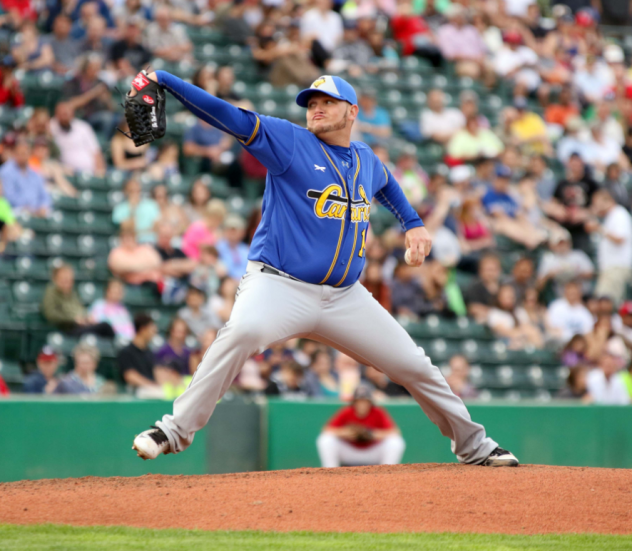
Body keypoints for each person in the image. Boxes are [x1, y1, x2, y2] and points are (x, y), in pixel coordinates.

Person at [130, 71, 518, 467]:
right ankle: (173, 430)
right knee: (241, 332)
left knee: (414, 365)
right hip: (279, 286)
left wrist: (413, 223)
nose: (315, 109)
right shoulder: (289, 142)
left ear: (351, 111)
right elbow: (228, 115)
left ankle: (474, 447)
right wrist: (164, 80)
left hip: (345, 298)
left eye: (326, 102)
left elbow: (387, 185)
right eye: (311, 103)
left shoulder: (365, 158)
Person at [316, 385, 406, 467]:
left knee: (395, 442)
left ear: (370, 402)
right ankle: (330, 472)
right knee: (326, 439)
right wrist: (345, 432)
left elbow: (395, 432)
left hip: (372, 452)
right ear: (354, 402)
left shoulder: (378, 412)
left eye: (365, 401)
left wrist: (372, 434)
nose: (362, 404)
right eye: (359, 401)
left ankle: (387, 473)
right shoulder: (347, 411)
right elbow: (326, 429)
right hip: (350, 452)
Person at [41, 264, 115, 338]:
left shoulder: (72, 292)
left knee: (105, 327)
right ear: (56, 279)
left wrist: (87, 317)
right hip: (67, 329)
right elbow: (51, 314)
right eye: (64, 279)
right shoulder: (51, 292)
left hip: (82, 326)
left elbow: (80, 309)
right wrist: (73, 319)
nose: (68, 282)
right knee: (105, 327)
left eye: (70, 279)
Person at [587, 190, 632, 304]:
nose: (595, 206)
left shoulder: (619, 213)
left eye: (597, 203)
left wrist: (599, 228)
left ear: (608, 201)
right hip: (610, 268)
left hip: (616, 267)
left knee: (606, 304)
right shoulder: (610, 217)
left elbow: (620, 238)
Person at [50, 101, 106, 175]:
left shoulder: (83, 127)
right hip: (69, 172)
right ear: (56, 115)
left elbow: (96, 153)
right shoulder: (52, 126)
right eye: (62, 114)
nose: (65, 117)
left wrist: (100, 172)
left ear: (72, 114)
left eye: (67, 113)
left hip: (90, 172)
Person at [0, 139, 52, 217]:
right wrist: (28, 208)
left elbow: (45, 196)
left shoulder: (35, 173)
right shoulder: (6, 170)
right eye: (20, 153)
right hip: (16, 210)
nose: (22, 156)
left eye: (25, 153)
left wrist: (43, 206)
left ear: (29, 154)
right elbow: (8, 197)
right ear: (14, 153)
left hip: (36, 210)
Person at [536, 230, 594, 297]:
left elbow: (591, 274)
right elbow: (539, 284)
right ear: (553, 245)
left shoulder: (578, 255)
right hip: (558, 295)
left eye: (564, 243)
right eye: (559, 244)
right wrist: (549, 275)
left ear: (569, 243)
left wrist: (576, 273)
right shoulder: (549, 258)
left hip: (581, 294)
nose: (562, 246)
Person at [117, 313, 161, 391]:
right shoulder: (126, 352)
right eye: (152, 330)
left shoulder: (149, 352)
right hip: (135, 391)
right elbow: (130, 375)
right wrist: (151, 386)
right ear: (142, 329)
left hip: (151, 390)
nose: (154, 334)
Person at [112, 178, 160, 244]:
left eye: (138, 191)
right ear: (125, 192)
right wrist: (133, 209)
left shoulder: (151, 205)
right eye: (132, 191)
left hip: (150, 242)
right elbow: (127, 229)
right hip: (130, 243)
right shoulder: (120, 208)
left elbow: (156, 228)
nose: (136, 194)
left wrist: (139, 232)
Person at [585, 338, 631, 405]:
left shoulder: (618, 379)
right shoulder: (593, 377)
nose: (608, 368)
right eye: (606, 365)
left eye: (610, 365)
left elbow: (624, 400)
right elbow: (591, 398)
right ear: (600, 365)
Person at [464, 252, 502, 323]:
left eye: (493, 270)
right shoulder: (475, 287)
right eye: (488, 270)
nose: (490, 273)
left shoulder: (503, 287)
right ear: (480, 271)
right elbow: (473, 308)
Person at [216, 214, 249, 280]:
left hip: (245, 282)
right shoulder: (218, 247)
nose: (232, 233)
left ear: (242, 232)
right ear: (224, 231)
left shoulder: (246, 250)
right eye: (229, 230)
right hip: (225, 281)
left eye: (235, 230)